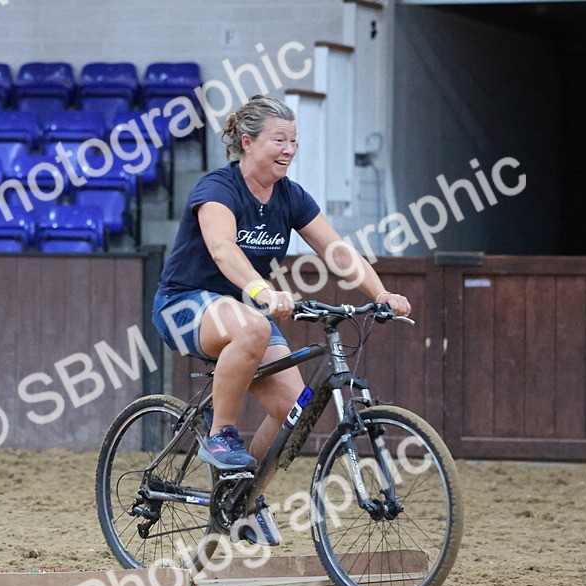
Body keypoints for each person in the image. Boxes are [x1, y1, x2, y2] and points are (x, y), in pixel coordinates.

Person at [151, 94, 411, 546]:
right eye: (279, 140)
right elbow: (223, 249)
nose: (289, 149)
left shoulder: (289, 197)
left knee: (297, 412)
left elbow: (337, 251)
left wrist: (380, 292)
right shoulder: (217, 189)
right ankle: (221, 435)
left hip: (244, 308)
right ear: (247, 142)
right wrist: (262, 292)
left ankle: (244, 500)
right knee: (251, 326)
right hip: (184, 304)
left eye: (294, 140)